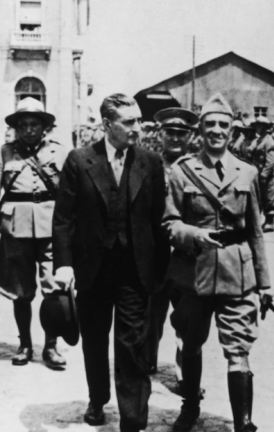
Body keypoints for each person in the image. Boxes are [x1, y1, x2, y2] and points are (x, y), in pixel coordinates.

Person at [53, 93, 167, 431]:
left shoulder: (151, 162)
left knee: (132, 344)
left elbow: (158, 219)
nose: (138, 129)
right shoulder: (79, 160)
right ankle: (98, 397)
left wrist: (160, 270)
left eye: (139, 121)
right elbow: (63, 219)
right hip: (93, 269)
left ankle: (133, 419)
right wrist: (64, 264)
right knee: (95, 338)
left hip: (134, 270)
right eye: (129, 122)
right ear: (107, 124)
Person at [163, 93, 274, 432]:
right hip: (193, 272)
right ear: (200, 130)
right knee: (192, 342)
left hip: (236, 273)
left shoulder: (248, 172)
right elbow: (170, 222)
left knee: (238, 347)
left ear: (231, 130)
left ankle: (243, 422)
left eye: (223, 124)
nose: (216, 130)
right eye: (209, 124)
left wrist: (265, 284)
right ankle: (190, 406)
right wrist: (195, 235)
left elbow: (255, 231)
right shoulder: (183, 171)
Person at [0, 97, 69, 368]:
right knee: (21, 291)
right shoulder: (5, 152)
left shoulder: (60, 153)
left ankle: (51, 346)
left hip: (51, 226)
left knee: (53, 288)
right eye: (23, 124)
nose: (29, 129)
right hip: (15, 227)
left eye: (34, 124)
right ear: (16, 127)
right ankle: (25, 344)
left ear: (44, 127)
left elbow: (71, 193)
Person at [146, 107, 198, 387]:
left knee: (186, 316)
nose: (175, 138)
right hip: (155, 252)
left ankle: (184, 371)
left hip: (185, 254)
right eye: (170, 133)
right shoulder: (149, 165)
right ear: (160, 135)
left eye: (182, 133)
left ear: (190, 136)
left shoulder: (197, 169)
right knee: (151, 314)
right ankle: (147, 360)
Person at [251, 116, 274, 232]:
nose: (257, 128)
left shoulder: (269, 141)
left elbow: (271, 160)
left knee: (269, 197)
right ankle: (263, 221)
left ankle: (270, 222)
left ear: (265, 127)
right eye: (256, 126)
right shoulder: (259, 141)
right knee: (260, 197)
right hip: (259, 174)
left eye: (259, 126)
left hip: (267, 175)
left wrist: (264, 174)